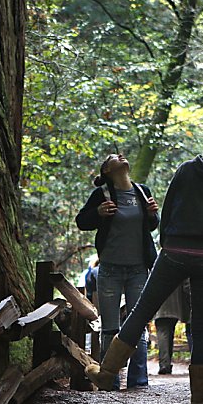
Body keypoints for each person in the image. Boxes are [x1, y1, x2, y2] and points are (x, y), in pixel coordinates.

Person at [86, 125, 203, 404]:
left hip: (174, 253)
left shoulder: (187, 170)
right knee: (202, 330)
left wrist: (167, 243)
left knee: (141, 312)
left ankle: (106, 372)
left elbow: (168, 209)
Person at [75, 153, 159, 389]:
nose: (120, 156)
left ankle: (139, 381)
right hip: (109, 269)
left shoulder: (142, 191)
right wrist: (97, 213)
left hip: (138, 270)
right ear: (107, 171)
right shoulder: (101, 195)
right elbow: (82, 221)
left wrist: (153, 214)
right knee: (110, 327)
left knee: (137, 325)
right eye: (113, 157)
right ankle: (109, 380)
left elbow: (151, 226)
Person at [153, 281, 191, 375]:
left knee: (163, 331)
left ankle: (164, 364)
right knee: (169, 331)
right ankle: (166, 364)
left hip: (159, 303)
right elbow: (186, 285)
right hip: (175, 303)